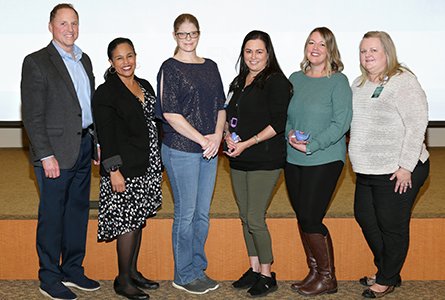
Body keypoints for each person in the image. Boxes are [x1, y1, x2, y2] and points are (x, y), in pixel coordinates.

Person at [20, 3, 100, 300]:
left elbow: (89, 107)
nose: (70, 29)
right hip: (54, 152)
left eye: (74, 23)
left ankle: (73, 269)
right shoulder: (37, 62)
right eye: (64, 23)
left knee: (77, 213)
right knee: (53, 215)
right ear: (51, 26)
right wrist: (44, 154)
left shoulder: (85, 60)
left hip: (83, 146)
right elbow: (32, 115)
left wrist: (97, 143)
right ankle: (49, 277)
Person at [349, 31, 430, 299]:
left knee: (391, 225)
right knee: (366, 217)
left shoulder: (403, 81)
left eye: (373, 50)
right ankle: (389, 270)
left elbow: (417, 124)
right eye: (363, 51)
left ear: (387, 53)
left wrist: (406, 165)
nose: (367, 55)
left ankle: (385, 278)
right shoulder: (358, 84)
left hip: (398, 169)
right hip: (367, 169)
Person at [156, 13, 226, 295]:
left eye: (193, 33)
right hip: (181, 149)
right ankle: (183, 274)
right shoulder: (169, 68)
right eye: (183, 34)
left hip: (209, 150)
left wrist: (218, 137)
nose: (188, 39)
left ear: (199, 34)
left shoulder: (210, 66)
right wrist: (202, 140)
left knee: (202, 215)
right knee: (185, 215)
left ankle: (198, 268)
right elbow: (171, 113)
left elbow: (221, 106)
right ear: (175, 35)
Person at [223, 30, 292, 298]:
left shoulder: (275, 82)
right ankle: (253, 269)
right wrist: (228, 134)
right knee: (244, 216)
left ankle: (267, 274)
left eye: (259, 51)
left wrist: (247, 143)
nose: (253, 56)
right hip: (239, 158)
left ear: (268, 54)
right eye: (248, 51)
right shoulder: (239, 81)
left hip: (265, 157)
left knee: (255, 217)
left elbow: (278, 122)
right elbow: (231, 114)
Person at [284, 27, 352, 296]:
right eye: (311, 42)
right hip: (293, 158)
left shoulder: (338, 81)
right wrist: (290, 133)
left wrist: (312, 145)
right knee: (303, 217)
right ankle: (314, 272)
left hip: (325, 158)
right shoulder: (295, 78)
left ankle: (328, 277)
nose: (314, 48)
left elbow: (342, 123)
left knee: (312, 217)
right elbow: (287, 115)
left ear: (330, 50)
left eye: (321, 44)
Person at [92, 38, 162, 300]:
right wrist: (114, 170)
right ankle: (122, 280)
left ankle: (132, 272)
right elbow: (106, 134)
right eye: (119, 58)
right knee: (127, 223)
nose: (126, 62)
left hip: (148, 163)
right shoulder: (106, 92)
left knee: (138, 219)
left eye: (129, 56)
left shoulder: (143, 85)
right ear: (111, 62)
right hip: (124, 168)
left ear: (136, 56)